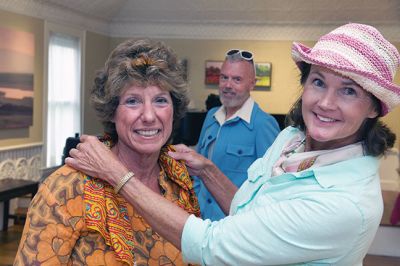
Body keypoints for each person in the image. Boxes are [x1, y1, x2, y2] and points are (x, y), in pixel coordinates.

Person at [66, 23, 400, 265]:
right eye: (318, 82)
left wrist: (115, 173)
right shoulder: (290, 139)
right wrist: (208, 169)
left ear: (373, 107)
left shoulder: (344, 206)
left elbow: (212, 245)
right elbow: (246, 209)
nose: (326, 103)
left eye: (348, 90)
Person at [14, 39, 200, 266]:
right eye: (133, 101)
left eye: (160, 100)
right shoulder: (66, 187)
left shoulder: (178, 179)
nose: (149, 116)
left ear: (174, 108)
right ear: (112, 112)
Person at [196, 49, 280, 221]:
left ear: (252, 84)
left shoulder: (263, 124)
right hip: (200, 221)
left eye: (237, 79)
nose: (228, 85)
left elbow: (271, 186)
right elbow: (196, 168)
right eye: (224, 77)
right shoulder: (211, 116)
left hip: (234, 227)